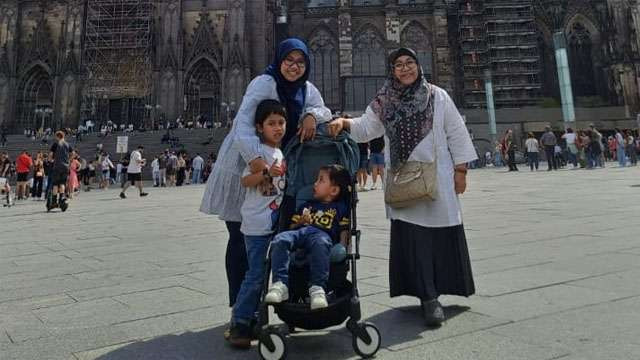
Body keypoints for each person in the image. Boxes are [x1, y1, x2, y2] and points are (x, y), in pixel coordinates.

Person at [328, 47, 477, 327]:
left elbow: (456, 131)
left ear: (419, 66)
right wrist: (344, 123)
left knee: (442, 236)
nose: (405, 68)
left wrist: (461, 170)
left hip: (437, 177)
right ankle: (428, 297)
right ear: (392, 70)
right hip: (401, 179)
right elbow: (366, 128)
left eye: (410, 63)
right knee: (414, 240)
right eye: (399, 65)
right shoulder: (385, 99)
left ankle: (444, 287)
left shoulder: (437, 95)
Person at [199, 38, 331, 325]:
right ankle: (241, 308)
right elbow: (243, 124)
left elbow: (323, 109)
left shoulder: (305, 89)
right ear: (279, 59)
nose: (294, 67)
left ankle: (267, 301)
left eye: (300, 62)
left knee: (272, 239)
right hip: (244, 166)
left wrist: (310, 115)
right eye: (289, 60)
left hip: (279, 168)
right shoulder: (263, 83)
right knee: (240, 238)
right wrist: (257, 162)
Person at [228, 100, 287, 348]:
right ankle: (240, 323)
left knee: (268, 274)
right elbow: (246, 181)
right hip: (256, 227)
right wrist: (266, 174)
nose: (277, 128)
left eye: (281, 123)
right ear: (259, 128)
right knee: (254, 276)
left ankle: (256, 317)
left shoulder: (280, 153)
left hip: (273, 224)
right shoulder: (258, 153)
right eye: (271, 123)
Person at [265, 164, 351, 310]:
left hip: (322, 234)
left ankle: (317, 288)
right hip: (300, 232)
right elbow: (291, 228)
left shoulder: (339, 208)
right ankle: (280, 284)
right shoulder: (307, 205)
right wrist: (300, 221)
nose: (315, 184)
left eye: (321, 180)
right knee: (280, 239)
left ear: (334, 190)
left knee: (320, 242)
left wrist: (343, 245)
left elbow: (344, 229)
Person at [49, 131, 73, 210]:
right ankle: (61, 199)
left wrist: (51, 160)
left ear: (57, 136)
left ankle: (54, 201)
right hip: (65, 166)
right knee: (62, 183)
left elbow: (50, 155)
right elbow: (73, 153)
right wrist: (69, 160)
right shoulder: (67, 144)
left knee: (55, 184)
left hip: (57, 166)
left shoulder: (56, 144)